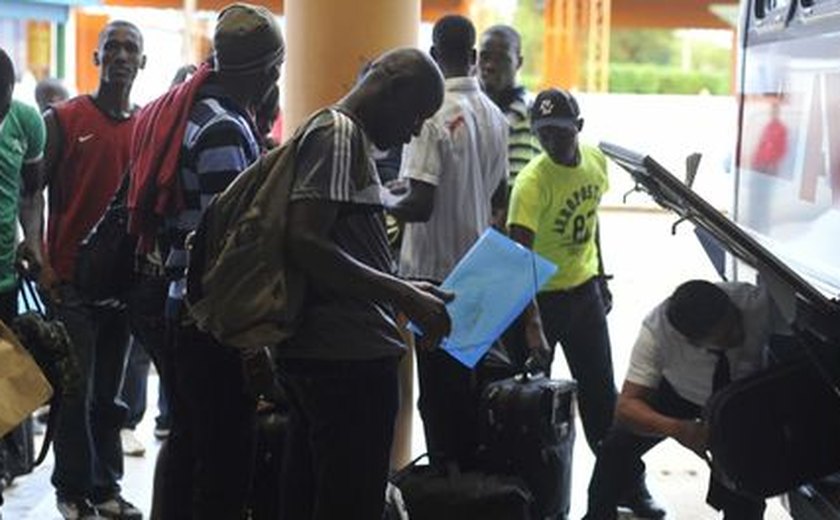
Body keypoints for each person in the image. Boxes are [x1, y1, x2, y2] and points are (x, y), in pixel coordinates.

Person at [275, 47, 452, 520]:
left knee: (311, 493)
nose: (415, 131)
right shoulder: (339, 134)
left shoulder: (337, 134)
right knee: (348, 503)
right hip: (343, 361)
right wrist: (402, 295)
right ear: (392, 89)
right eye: (417, 115)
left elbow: (340, 246)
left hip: (335, 356)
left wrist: (407, 286)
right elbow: (306, 242)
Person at [128, 5, 283, 518]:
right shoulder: (221, 129)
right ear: (269, 71)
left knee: (188, 446)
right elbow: (230, 248)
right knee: (223, 463)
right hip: (210, 322)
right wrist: (254, 341)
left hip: (179, 309)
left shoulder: (193, 111)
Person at [507, 88, 661, 518]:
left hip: (584, 296)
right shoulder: (532, 184)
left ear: (579, 127)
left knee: (602, 403)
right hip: (540, 303)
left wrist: (600, 275)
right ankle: (528, 499)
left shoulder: (595, 162)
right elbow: (519, 261)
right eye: (543, 135)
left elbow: (591, 221)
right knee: (530, 405)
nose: (552, 143)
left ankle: (628, 487)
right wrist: (532, 324)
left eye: (560, 132)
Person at [386, 15, 508, 469]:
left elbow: (418, 203)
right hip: (479, 276)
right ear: (474, 58)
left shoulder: (432, 114)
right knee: (470, 399)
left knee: (439, 402)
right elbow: (499, 197)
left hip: (431, 282)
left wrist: (375, 197)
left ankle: (445, 496)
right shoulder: (494, 116)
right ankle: (472, 495)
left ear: (434, 57)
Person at [38, 21, 146, 520]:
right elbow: (28, 190)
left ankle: (106, 487)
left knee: (110, 397)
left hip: (121, 286)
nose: (122, 56)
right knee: (75, 394)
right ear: (97, 58)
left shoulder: (146, 126)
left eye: (131, 49)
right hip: (71, 283)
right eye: (113, 47)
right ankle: (72, 490)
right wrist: (41, 261)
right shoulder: (63, 118)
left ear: (142, 62)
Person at [585, 280, 782, 520]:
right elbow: (626, 407)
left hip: (740, 397)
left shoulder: (756, 302)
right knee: (615, 450)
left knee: (744, 481)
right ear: (694, 342)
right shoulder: (656, 333)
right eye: (726, 337)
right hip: (680, 393)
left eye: (736, 323)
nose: (738, 334)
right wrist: (677, 429)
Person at [0, 47, 46, 514]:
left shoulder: (26, 122)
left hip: (3, 280)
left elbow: (33, 192)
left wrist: (33, 243)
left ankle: (5, 465)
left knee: (3, 387)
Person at [478, 24, 541, 185]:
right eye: (485, 57)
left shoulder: (535, 115)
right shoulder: (469, 112)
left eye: (501, 59)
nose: (490, 66)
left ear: (518, 63)